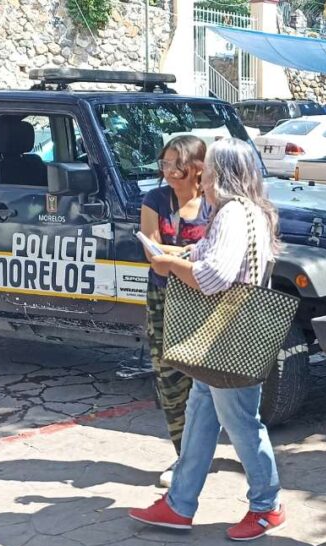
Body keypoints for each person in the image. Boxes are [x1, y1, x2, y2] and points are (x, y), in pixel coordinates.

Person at [129, 138, 286, 541]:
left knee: (242, 424)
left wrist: (168, 263)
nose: (207, 178)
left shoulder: (233, 213)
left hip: (228, 337)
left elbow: (215, 277)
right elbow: (210, 254)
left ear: (224, 174)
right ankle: (179, 503)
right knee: (201, 414)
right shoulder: (250, 210)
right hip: (225, 336)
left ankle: (267, 505)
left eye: (212, 170)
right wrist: (184, 255)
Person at [139, 135, 212, 488]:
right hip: (163, 299)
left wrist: (174, 255)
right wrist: (187, 254)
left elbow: (216, 255)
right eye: (164, 164)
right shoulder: (156, 198)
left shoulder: (213, 201)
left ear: (198, 167)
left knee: (212, 382)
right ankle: (185, 457)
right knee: (170, 380)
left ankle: (234, 449)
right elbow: (153, 254)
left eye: (176, 164)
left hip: (206, 300)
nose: (169, 171)